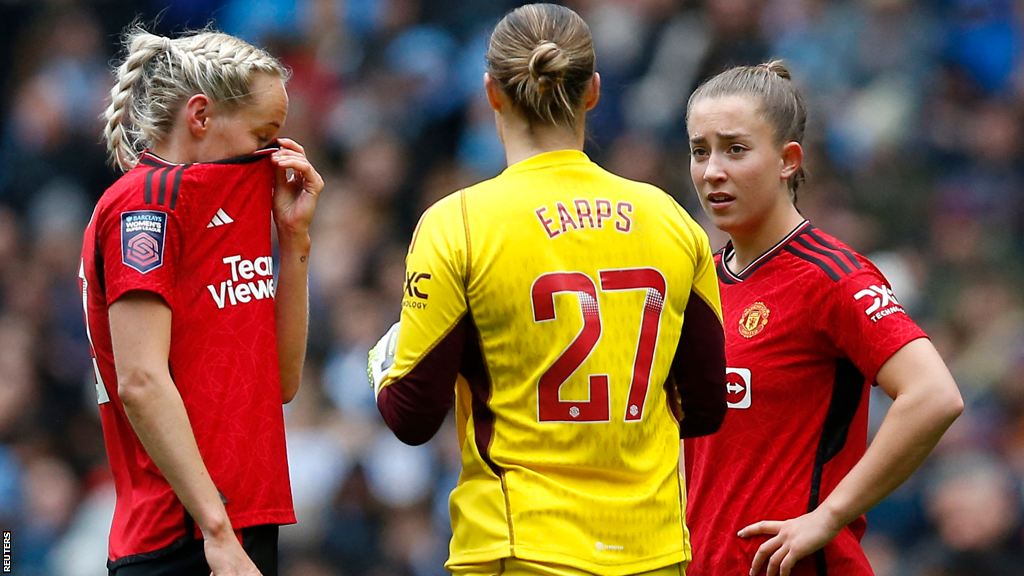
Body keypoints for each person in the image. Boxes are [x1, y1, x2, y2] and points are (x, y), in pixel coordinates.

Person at [366, 4, 727, 576]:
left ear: (491, 92)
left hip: (522, 545)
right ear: (594, 92)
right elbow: (706, 406)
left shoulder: (458, 222)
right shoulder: (671, 220)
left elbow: (411, 417)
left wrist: (385, 354)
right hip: (653, 550)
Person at [682, 61, 964, 576]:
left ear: (789, 160)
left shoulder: (831, 276)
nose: (712, 170)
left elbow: (933, 395)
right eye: (700, 151)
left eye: (735, 149)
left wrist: (829, 515)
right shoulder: (699, 281)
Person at [79, 27, 324, 576]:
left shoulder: (226, 207)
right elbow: (141, 382)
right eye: (265, 134)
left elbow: (280, 381)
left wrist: (295, 241)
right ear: (200, 117)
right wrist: (216, 531)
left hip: (241, 521)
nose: (273, 154)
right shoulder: (147, 207)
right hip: (183, 533)